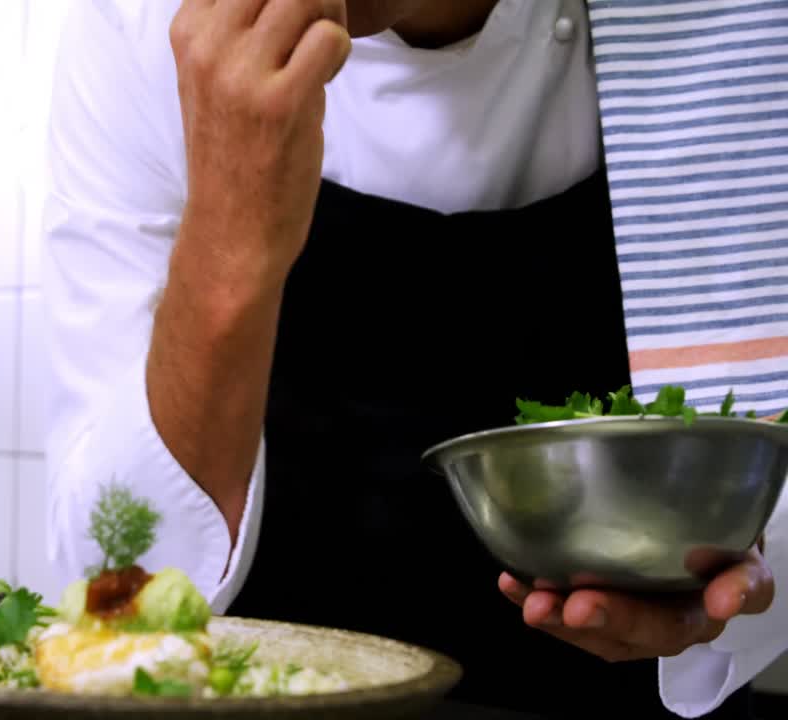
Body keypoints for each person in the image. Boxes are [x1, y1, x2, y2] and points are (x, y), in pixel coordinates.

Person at [40, 1, 787, 718]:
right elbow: (120, 578)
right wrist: (228, 240)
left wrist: (742, 564)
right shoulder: (140, 25)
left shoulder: (736, 31)